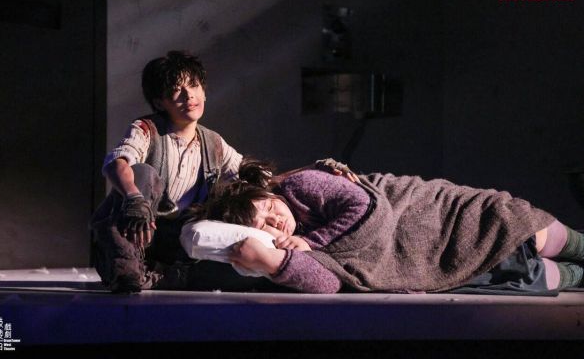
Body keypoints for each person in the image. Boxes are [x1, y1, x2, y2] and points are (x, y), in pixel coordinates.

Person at [89, 50, 356, 293]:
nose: (188, 96)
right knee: (143, 174)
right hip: (134, 231)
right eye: (176, 90)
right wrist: (134, 198)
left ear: (204, 92)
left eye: (193, 86)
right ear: (159, 102)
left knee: (241, 253)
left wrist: (317, 166)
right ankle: (124, 270)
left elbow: (261, 179)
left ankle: (169, 276)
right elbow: (116, 163)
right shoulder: (147, 130)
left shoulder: (213, 143)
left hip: (174, 242)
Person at [198, 159, 584, 294]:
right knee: (546, 279)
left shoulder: (300, 186)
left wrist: (310, 242)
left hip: (441, 215)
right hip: (435, 262)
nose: (275, 220)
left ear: (270, 193)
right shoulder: (288, 247)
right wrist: (274, 261)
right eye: (264, 225)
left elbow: (368, 209)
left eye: (268, 207)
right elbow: (329, 283)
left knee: (534, 234)